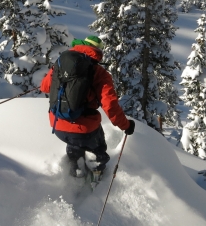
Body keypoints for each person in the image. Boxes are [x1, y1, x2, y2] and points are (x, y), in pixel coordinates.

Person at [40, 35, 135, 182]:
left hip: (58, 125)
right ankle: (96, 177)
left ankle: (75, 175)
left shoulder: (60, 63)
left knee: (74, 144)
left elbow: (44, 87)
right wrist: (126, 125)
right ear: (98, 51)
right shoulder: (99, 73)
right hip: (84, 129)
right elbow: (110, 105)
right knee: (97, 150)